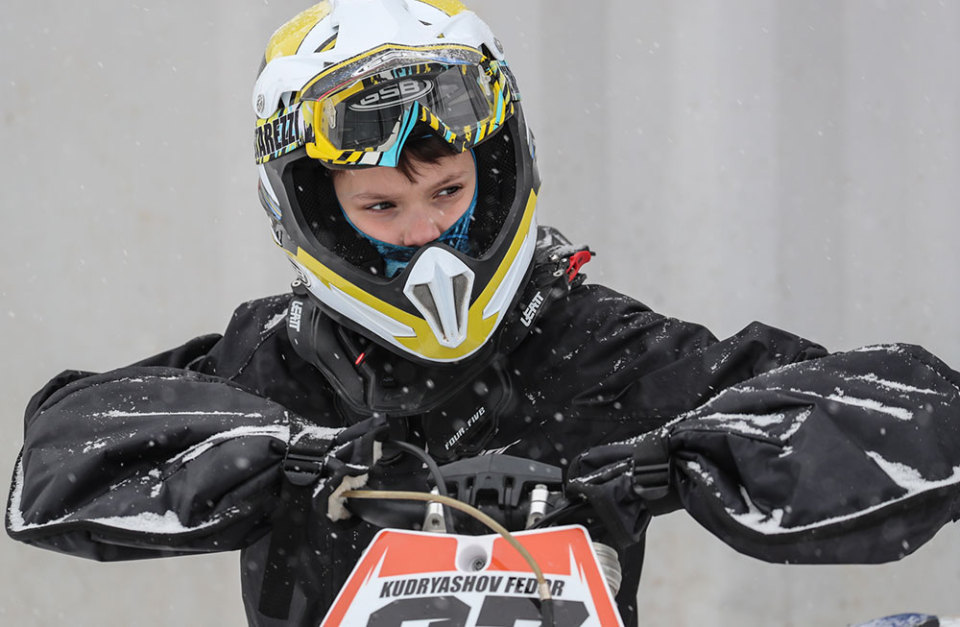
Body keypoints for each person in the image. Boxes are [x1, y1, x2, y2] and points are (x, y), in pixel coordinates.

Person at [7, 1, 960, 626]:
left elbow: (915, 410)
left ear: (497, 170)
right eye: (381, 207)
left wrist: (684, 456)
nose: (425, 234)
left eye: (449, 193)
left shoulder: (587, 343)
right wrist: (282, 455)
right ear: (312, 211)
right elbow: (58, 452)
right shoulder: (283, 359)